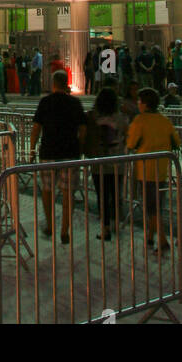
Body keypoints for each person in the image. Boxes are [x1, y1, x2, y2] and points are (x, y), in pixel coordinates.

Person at [30, 69, 86, 243]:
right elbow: (83, 128)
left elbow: (36, 128)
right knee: (68, 193)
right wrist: (80, 147)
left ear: (53, 84)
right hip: (70, 152)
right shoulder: (75, 103)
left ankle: (49, 224)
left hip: (48, 152)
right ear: (67, 83)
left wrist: (32, 148)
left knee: (47, 190)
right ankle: (64, 230)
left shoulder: (45, 102)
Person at [125, 88, 181, 250]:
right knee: (156, 204)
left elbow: (131, 143)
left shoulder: (140, 121)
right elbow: (176, 142)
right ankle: (150, 236)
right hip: (162, 168)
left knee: (151, 207)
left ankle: (163, 240)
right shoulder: (165, 121)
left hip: (145, 169)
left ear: (144, 103)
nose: (138, 104)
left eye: (140, 101)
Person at [83, 86, 127, 240]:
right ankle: (116, 222)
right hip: (117, 161)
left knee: (102, 195)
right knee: (115, 194)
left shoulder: (93, 118)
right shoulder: (121, 118)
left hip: (99, 162)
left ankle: (106, 227)